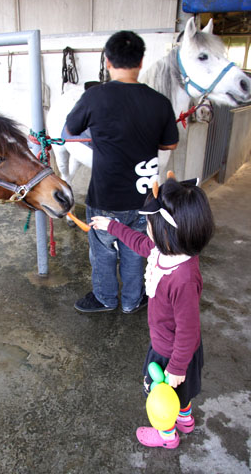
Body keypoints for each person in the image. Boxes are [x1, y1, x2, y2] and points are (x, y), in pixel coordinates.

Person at [90, 175, 215, 449]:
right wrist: (112, 226)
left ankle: (166, 435)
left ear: (168, 232)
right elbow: (138, 243)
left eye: (149, 225)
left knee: (162, 397)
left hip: (172, 351)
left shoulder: (182, 278)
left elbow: (189, 328)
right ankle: (186, 419)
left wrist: (177, 366)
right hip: (172, 346)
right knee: (181, 394)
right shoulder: (167, 251)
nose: (146, 229)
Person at [66, 30, 179, 314]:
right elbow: (170, 143)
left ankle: (106, 299)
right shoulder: (160, 102)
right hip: (144, 198)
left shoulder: (95, 96)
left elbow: (70, 131)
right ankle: (132, 300)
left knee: (103, 251)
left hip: (105, 197)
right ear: (141, 61)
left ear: (107, 61)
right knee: (135, 248)